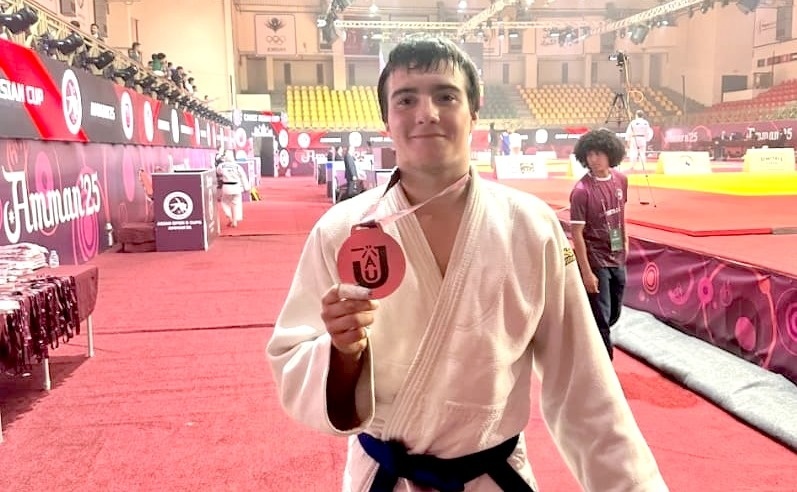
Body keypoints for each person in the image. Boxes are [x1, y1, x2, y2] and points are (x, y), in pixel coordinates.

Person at [267, 35, 666, 491]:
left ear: (474, 111)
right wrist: (342, 352)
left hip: (492, 479)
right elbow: (292, 358)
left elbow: (584, 384)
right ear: (385, 120)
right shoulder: (342, 230)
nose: (426, 113)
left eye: (446, 96)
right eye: (406, 99)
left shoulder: (531, 225)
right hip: (385, 478)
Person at [569, 129, 629, 360]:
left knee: (614, 312)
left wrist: (625, 240)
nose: (594, 159)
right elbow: (576, 233)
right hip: (595, 259)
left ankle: (587, 340)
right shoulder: (581, 192)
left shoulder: (621, 180)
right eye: (590, 154)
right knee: (601, 316)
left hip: (617, 254)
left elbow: (620, 213)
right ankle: (603, 364)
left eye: (599, 153)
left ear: (610, 154)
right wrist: (586, 272)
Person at [215, 154, 250, 228]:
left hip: (226, 186)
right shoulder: (238, 166)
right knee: (235, 204)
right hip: (236, 187)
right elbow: (243, 177)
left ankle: (229, 217)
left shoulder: (221, 166)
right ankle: (234, 221)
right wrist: (246, 188)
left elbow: (218, 172)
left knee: (224, 202)